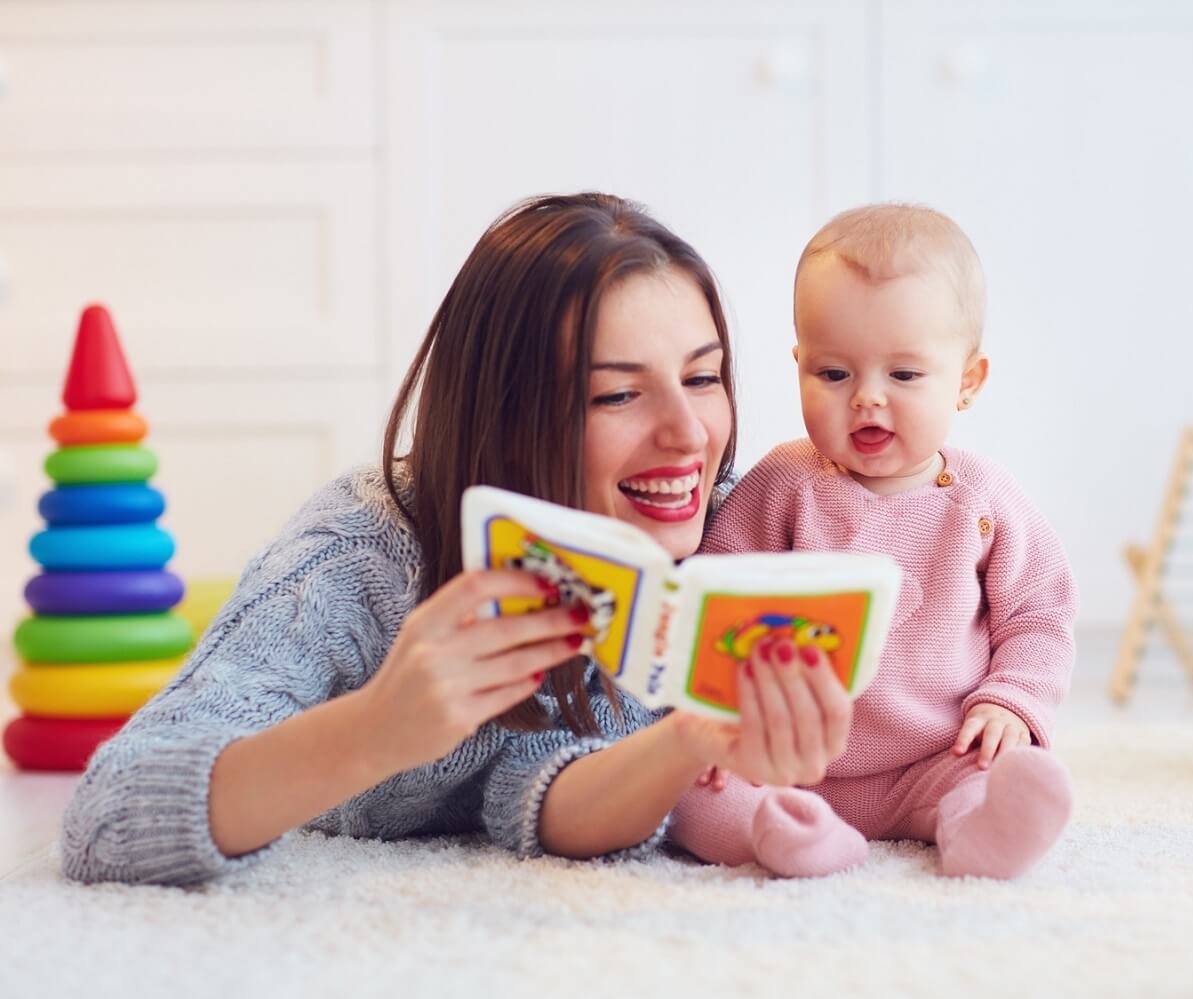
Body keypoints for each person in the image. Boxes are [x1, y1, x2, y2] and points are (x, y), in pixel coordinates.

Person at [60, 193, 853, 885]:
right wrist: (376, 729)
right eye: (617, 393)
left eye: (703, 377)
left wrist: (693, 739)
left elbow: (540, 791)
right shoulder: (363, 556)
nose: (687, 434)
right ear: (506, 415)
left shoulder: (744, 527)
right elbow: (107, 817)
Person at [669, 204, 1077, 879]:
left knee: (989, 767)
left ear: (967, 381)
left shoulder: (983, 499)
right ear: (800, 364)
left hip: (933, 754)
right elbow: (713, 604)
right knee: (691, 795)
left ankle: (981, 829)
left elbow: (1040, 611)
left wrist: (1012, 700)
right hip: (784, 757)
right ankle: (786, 834)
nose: (867, 399)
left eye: (905, 376)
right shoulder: (783, 483)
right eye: (834, 374)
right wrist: (711, 719)